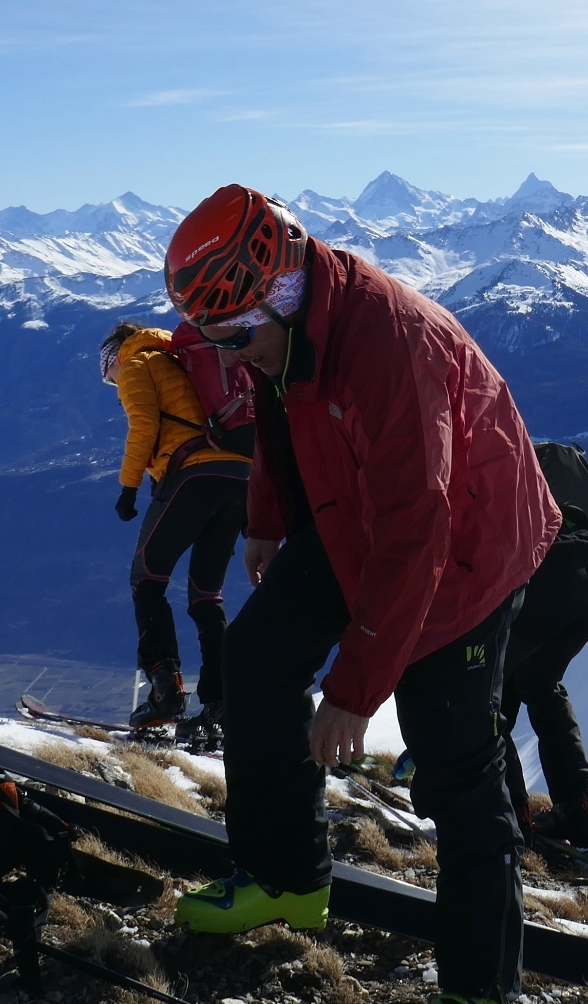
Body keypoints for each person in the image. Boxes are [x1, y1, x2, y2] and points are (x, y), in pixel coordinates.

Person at [163, 185, 557, 1004]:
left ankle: (483, 990)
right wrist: (267, 519)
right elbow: (278, 407)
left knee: (456, 770)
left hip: (464, 557)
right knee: (257, 656)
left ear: (276, 291)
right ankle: (286, 877)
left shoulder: (390, 345)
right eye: (212, 339)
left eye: (233, 336)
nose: (228, 356)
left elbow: (420, 525)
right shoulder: (291, 321)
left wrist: (351, 692)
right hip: (355, 516)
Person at [100, 320, 253, 729]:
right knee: (207, 595)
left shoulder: (137, 363)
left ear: (114, 357)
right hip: (240, 476)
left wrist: (128, 488)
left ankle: (165, 690)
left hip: (192, 475)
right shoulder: (183, 359)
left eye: (107, 374)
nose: (112, 383)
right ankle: (221, 705)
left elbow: (145, 426)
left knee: (147, 579)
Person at [501, 440, 588, 850]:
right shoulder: (562, 470)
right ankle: (574, 810)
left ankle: (509, 818)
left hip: (551, 571)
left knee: (484, 695)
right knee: (540, 682)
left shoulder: (516, 463)